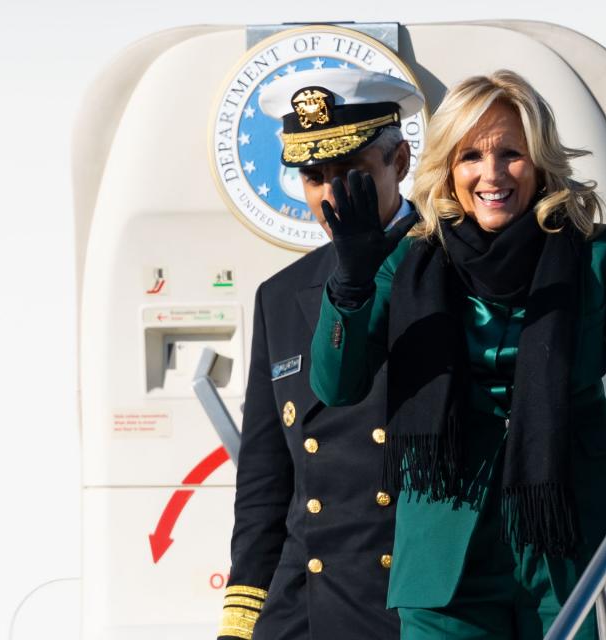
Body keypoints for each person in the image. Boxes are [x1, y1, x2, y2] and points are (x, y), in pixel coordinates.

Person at [309, 69, 606, 639]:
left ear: (539, 162)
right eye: (470, 156)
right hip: (448, 545)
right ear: (448, 169)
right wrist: (349, 283)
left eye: (510, 154)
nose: (491, 174)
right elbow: (336, 386)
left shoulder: (599, 255)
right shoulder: (408, 262)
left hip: (573, 530)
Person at [216, 68, 423, 640]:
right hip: (305, 603)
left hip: (411, 601)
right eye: (314, 176)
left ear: (400, 163)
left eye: (351, 173)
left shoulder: (449, 267)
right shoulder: (281, 295)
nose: (331, 194)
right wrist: (242, 618)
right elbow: (264, 482)